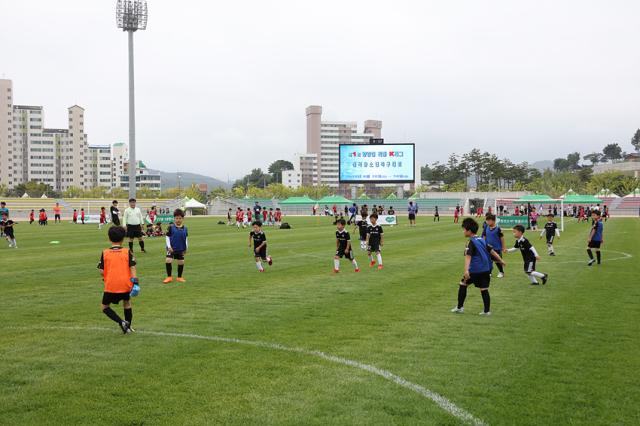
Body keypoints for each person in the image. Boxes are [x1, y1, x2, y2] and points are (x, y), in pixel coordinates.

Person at [451, 218, 505, 316]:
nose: (463, 231)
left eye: (464, 229)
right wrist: (501, 260)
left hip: (475, 270)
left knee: (463, 284)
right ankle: (487, 311)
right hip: (486, 270)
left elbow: (468, 257)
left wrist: (466, 270)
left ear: (469, 231)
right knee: (484, 289)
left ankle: (460, 307)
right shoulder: (481, 239)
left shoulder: (470, 242)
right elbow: (492, 251)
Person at [97, 226, 138, 334]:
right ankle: (128, 326)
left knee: (105, 307)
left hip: (111, 285)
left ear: (109, 238)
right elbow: (132, 267)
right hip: (125, 284)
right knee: (127, 303)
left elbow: (101, 270)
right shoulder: (127, 251)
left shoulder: (105, 252)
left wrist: (105, 277)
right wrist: (135, 282)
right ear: (123, 238)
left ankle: (121, 322)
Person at [163, 209, 188, 284]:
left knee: (181, 262)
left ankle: (179, 277)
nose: (178, 220)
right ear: (174, 218)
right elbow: (167, 237)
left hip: (181, 248)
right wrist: (169, 246)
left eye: (180, 218)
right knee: (168, 260)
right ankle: (169, 277)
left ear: (182, 219)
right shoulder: (170, 227)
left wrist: (186, 247)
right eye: (176, 218)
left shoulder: (185, 228)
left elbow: (186, 238)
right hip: (172, 248)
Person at [482, 214, 506, 278]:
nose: (487, 222)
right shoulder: (486, 227)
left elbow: (502, 238)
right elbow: (484, 236)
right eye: (487, 220)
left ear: (493, 221)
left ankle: (501, 272)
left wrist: (503, 247)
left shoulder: (498, 229)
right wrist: (483, 244)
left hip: (497, 248)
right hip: (488, 248)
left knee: (497, 260)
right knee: (488, 261)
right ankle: (489, 273)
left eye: (489, 220)